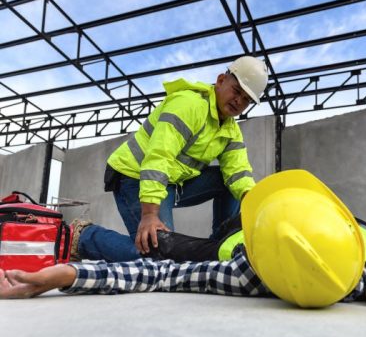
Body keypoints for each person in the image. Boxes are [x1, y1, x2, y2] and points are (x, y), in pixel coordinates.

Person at [2, 170, 366, 308]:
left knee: (159, 252)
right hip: (152, 180)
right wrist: (150, 211)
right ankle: (90, 237)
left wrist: (68, 275)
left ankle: (86, 237)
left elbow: (158, 278)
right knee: (156, 242)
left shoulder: (248, 270)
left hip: (228, 241)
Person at [104, 56, 269, 255]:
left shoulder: (230, 130)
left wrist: (256, 204)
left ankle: (219, 247)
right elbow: (159, 155)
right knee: (161, 251)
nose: (238, 101)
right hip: (134, 176)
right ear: (221, 80)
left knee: (229, 183)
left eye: (246, 100)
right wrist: (149, 214)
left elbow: (239, 173)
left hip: (171, 182)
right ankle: (84, 237)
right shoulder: (188, 105)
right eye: (236, 91)